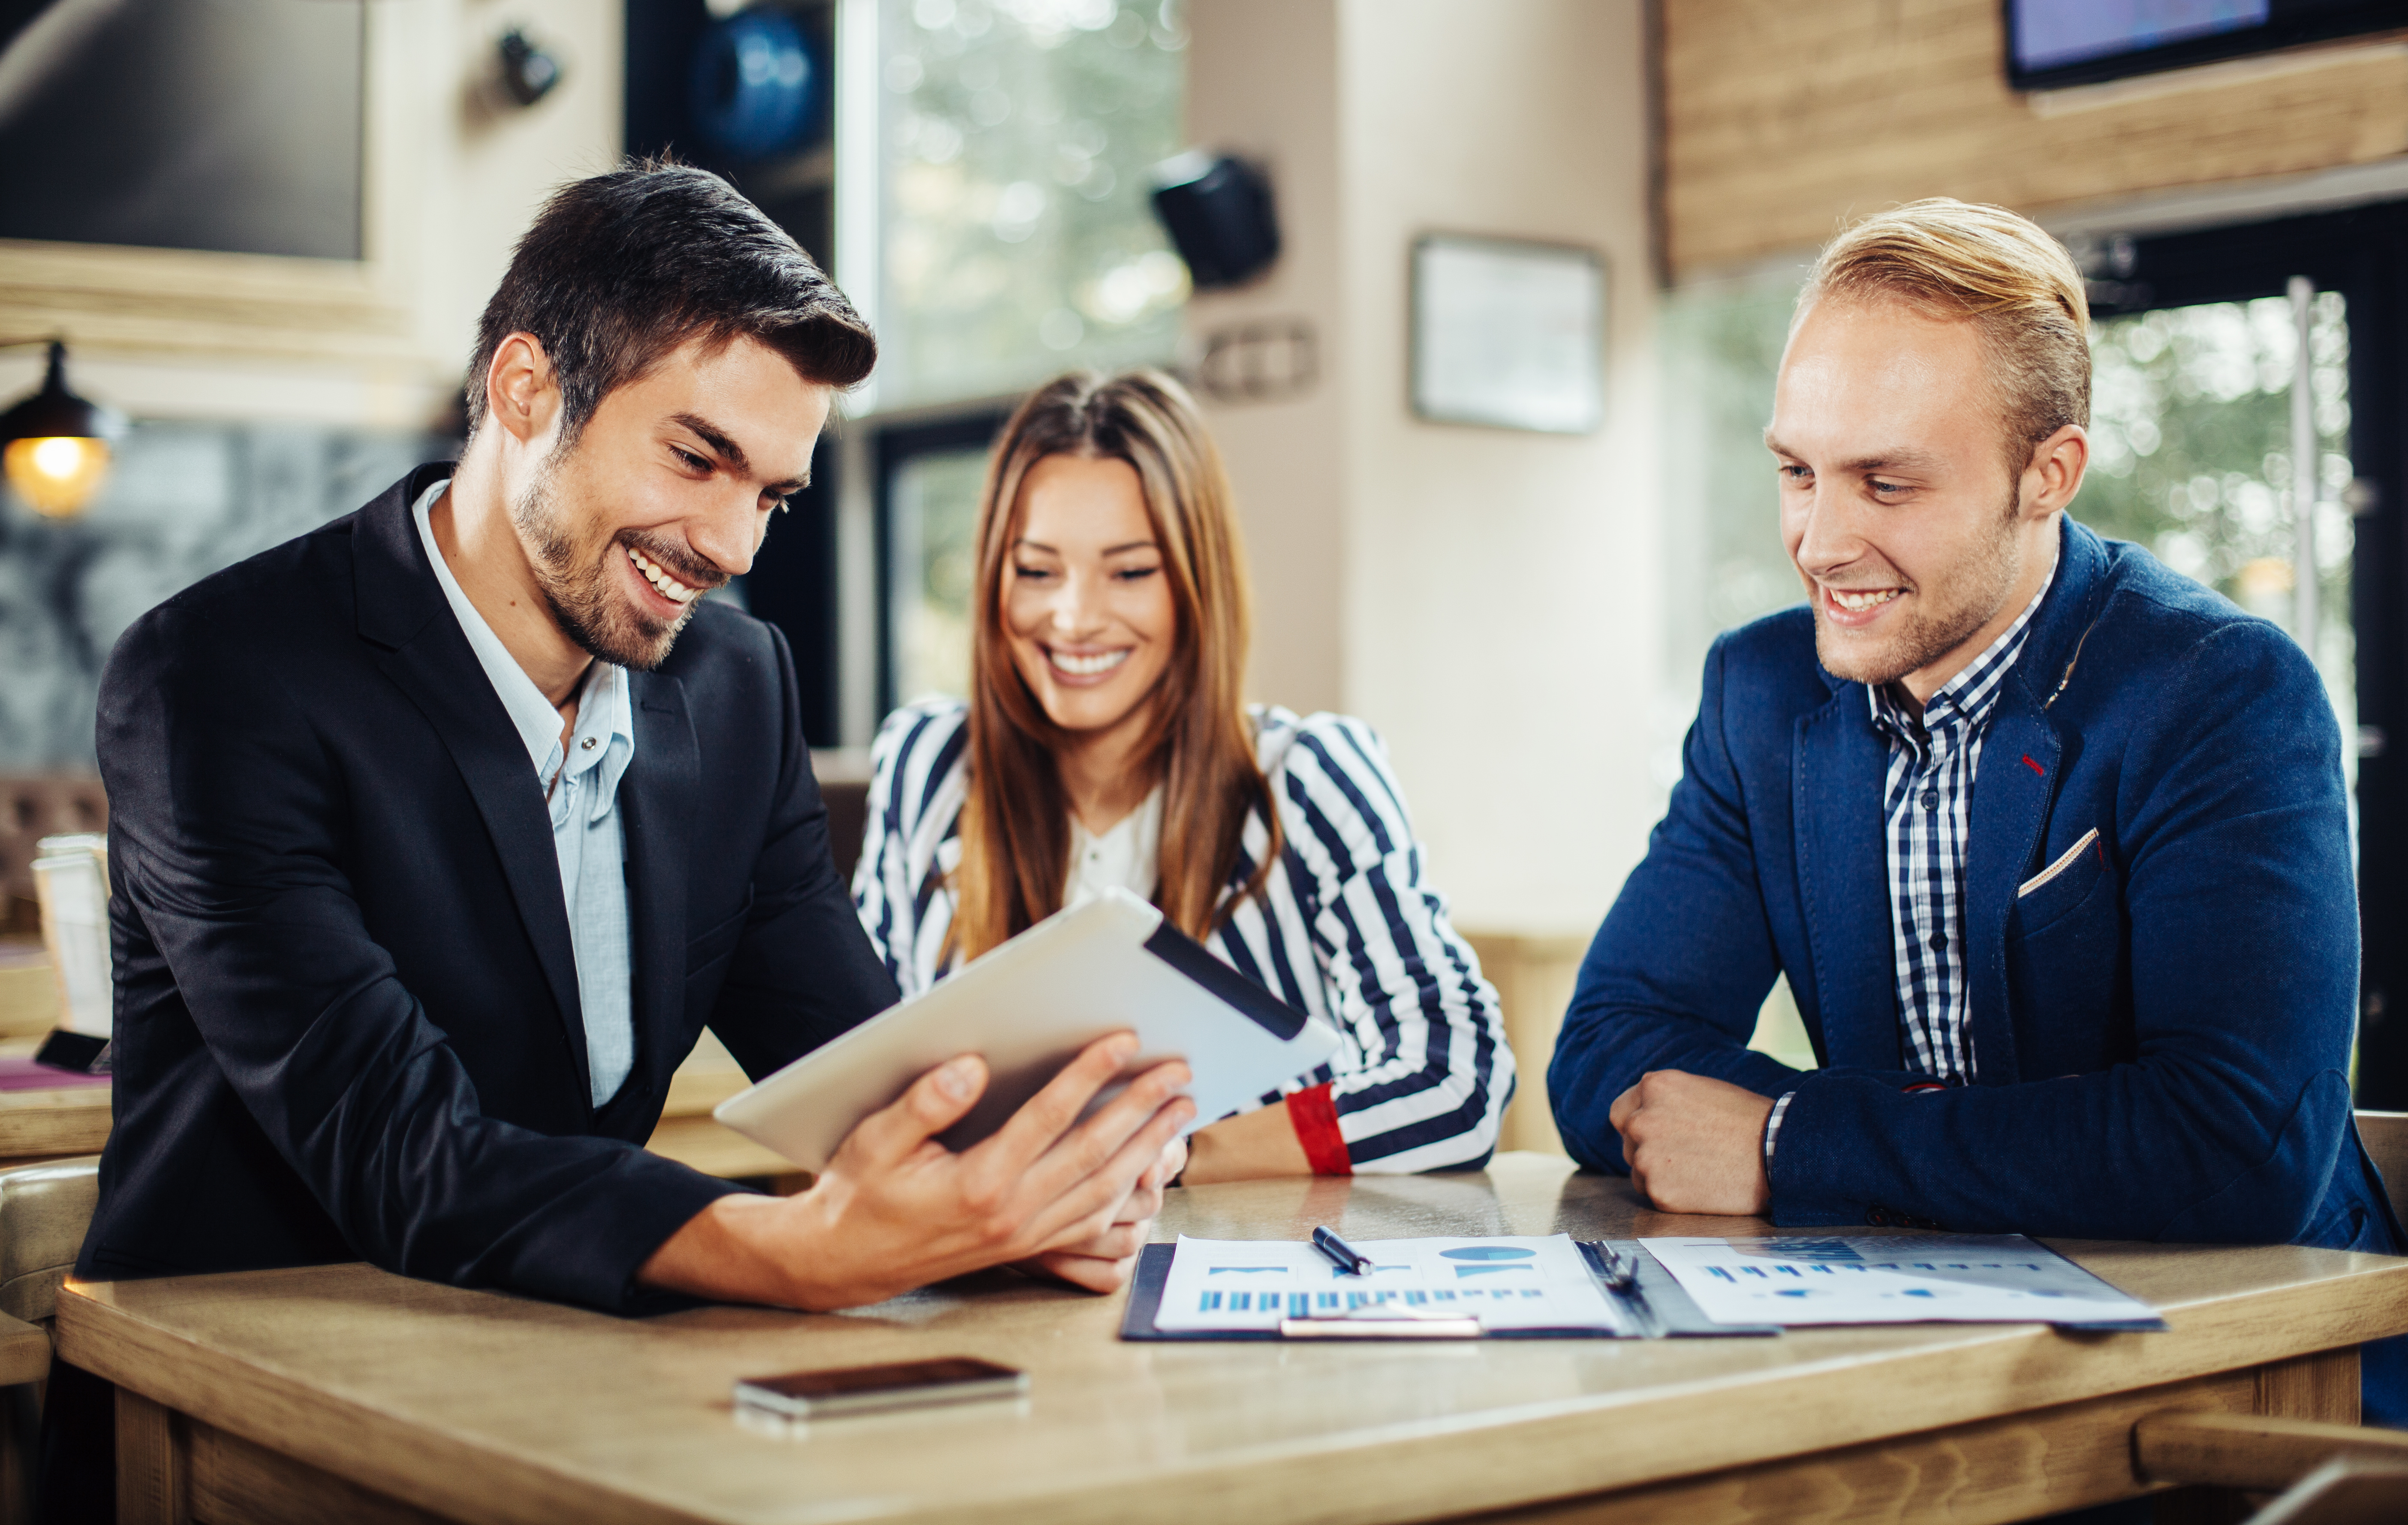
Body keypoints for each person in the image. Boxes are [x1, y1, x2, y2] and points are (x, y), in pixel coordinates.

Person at [49, 163, 1188, 1519]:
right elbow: (402, 1148)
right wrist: (807, 1249)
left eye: (772, 494)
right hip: (238, 1412)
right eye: (696, 457)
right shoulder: (219, 678)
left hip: (571, 1382)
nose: (728, 543)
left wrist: (1021, 1180)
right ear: (526, 391)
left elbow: (850, 1053)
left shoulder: (736, 684)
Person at [1546, 196, 2405, 1421]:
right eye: (1798, 472)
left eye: (1886, 484)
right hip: (1925, 1354)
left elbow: (2234, 1150)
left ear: (2047, 474)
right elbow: (1608, 1054)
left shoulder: (2220, 692)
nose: (1820, 541)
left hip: (2250, 1380)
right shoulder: (1761, 691)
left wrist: (1789, 1139)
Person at [854, 370, 1513, 1180]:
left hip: (1245, 1276)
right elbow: (864, 1070)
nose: (1074, 617)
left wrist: (1175, 1155)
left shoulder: (1307, 777)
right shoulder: (926, 765)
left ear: (1196, 584)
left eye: (1131, 572)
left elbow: (1457, 1082)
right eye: (1036, 571)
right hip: (989, 1285)